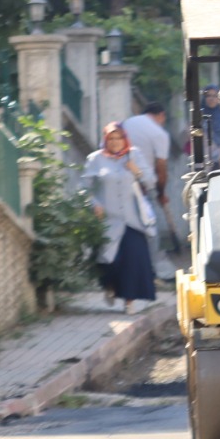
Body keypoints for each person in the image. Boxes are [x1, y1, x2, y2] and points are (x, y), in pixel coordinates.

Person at [84, 124, 157, 313]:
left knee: (132, 262)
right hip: (107, 220)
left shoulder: (134, 155)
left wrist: (136, 170)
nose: (115, 142)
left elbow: (150, 182)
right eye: (111, 139)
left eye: (119, 138)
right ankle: (109, 286)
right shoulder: (96, 159)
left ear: (125, 139)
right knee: (109, 262)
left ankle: (129, 302)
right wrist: (94, 204)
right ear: (105, 140)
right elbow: (84, 188)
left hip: (132, 220)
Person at [119, 103, 170, 209]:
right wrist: (161, 194)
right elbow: (161, 169)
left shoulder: (127, 123)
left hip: (116, 177)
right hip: (140, 183)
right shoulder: (159, 134)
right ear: (162, 115)